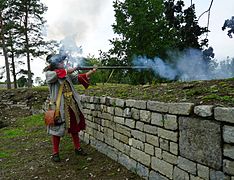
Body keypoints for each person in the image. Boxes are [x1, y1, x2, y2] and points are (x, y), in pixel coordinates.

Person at [44, 54, 96, 162]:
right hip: (58, 106)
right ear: (55, 64)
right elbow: (58, 74)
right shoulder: (50, 74)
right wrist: (70, 70)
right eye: (60, 62)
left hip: (71, 104)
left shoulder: (66, 73)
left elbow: (78, 78)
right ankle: (55, 153)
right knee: (56, 129)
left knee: (74, 127)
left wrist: (91, 71)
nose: (63, 63)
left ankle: (77, 148)